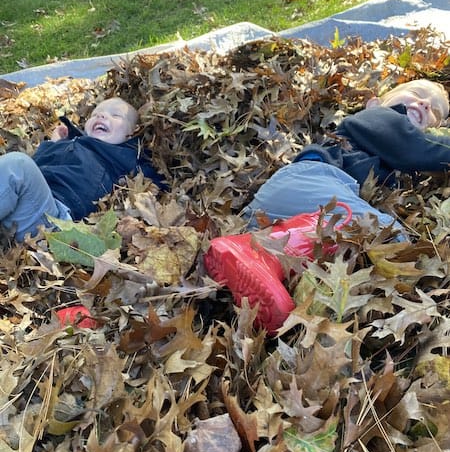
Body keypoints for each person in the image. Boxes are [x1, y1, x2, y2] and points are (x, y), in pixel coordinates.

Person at [204, 79, 450, 333]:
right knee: (390, 234)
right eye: (417, 94)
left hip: (284, 211)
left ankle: (263, 270)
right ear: (374, 102)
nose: (424, 103)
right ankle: (257, 254)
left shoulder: (391, 154)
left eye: (435, 111)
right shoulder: (380, 117)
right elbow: (418, 150)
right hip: (310, 181)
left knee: (345, 251)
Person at [0, 97, 166, 242]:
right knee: (18, 167)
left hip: (53, 220)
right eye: (95, 114)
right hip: (23, 206)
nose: (101, 115)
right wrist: (54, 145)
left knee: (18, 165)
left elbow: (158, 180)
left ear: (133, 131)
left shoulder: (126, 155)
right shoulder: (71, 144)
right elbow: (35, 167)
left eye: (115, 115)